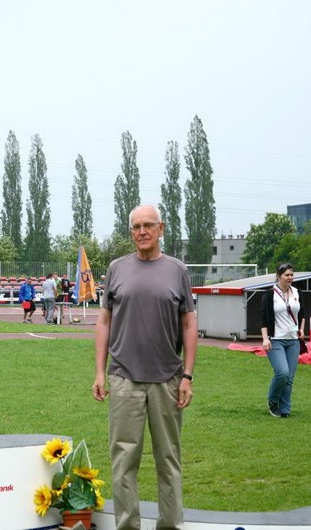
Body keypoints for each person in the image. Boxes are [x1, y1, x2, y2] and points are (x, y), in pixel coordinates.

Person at [93, 205, 198, 530]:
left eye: (148, 225)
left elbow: (189, 323)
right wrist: (99, 372)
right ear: (131, 232)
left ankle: (170, 525)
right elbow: (104, 321)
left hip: (168, 379)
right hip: (124, 378)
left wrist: (187, 376)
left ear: (161, 228)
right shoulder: (117, 268)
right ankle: (127, 526)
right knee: (124, 460)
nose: (142, 232)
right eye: (136, 227)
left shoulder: (177, 270)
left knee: (168, 459)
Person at [260, 262, 305, 418]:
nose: (290, 277)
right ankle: (273, 401)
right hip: (275, 340)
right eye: (287, 275)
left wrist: (301, 330)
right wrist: (265, 339)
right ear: (279, 276)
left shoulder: (297, 292)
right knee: (282, 372)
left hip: (293, 341)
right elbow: (263, 319)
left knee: (290, 377)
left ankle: (285, 409)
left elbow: (302, 314)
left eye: (292, 274)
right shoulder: (269, 294)